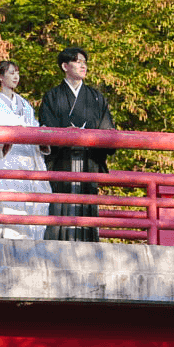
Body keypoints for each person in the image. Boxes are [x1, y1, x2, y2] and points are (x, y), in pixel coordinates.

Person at [37, 47, 114, 241]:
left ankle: (88, 246)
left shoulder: (96, 97)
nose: (83, 65)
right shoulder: (52, 96)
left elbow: (107, 130)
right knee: (59, 205)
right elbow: (47, 127)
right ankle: (56, 247)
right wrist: (67, 136)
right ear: (65, 66)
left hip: (89, 159)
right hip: (62, 159)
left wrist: (95, 139)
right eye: (78, 61)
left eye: (85, 62)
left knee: (87, 206)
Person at [0, 61, 48, 239]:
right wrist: (5, 139)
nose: (16, 77)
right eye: (11, 73)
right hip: (5, 160)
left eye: (17, 73)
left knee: (27, 209)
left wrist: (41, 138)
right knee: (4, 207)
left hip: (26, 161)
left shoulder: (25, 104)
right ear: (0, 77)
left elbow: (34, 127)